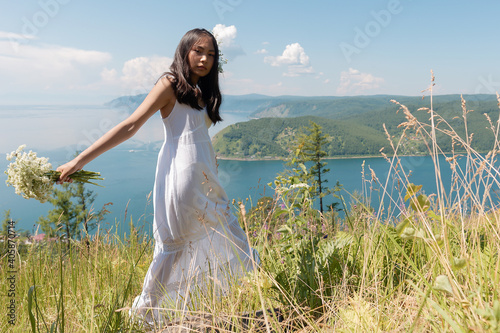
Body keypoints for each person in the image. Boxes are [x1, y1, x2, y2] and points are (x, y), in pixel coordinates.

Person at [57, 28, 258, 324]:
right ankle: (144, 316)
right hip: (182, 177)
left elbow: (198, 136)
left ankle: (168, 309)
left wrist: (213, 165)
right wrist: (79, 160)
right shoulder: (170, 84)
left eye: (211, 54)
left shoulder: (202, 91)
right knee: (176, 244)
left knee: (227, 234)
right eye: (198, 51)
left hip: (205, 178)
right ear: (184, 51)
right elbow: (130, 125)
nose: (204, 59)